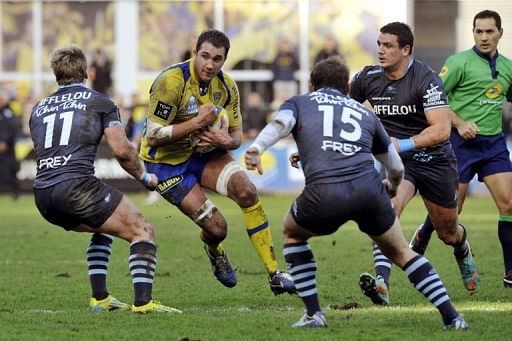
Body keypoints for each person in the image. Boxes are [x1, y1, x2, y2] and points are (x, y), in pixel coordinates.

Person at [244, 57, 468, 329]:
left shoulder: (300, 102)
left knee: (293, 233)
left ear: (313, 85)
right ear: (348, 88)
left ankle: (314, 314)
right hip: (369, 193)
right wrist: (391, 188)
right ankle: (452, 317)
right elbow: (395, 166)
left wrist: (257, 148)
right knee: (401, 252)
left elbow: (280, 124)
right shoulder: (366, 114)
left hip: (324, 193)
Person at [138, 29, 295, 294]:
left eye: (217, 59)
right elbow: (153, 137)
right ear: (195, 52)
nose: (210, 64)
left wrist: (224, 142)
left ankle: (275, 273)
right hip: (166, 165)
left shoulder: (227, 87)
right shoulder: (171, 82)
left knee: (247, 191)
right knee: (218, 228)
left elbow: (236, 136)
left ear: (224, 60)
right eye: (205, 56)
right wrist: (197, 122)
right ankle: (215, 250)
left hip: (205, 154)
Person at [29, 45, 179, 314]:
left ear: (55, 73)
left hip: (42, 194)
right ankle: (144, 303)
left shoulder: (38, 108)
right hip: (76, 187)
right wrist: (145, 177)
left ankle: (100, 298)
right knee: (142, 229)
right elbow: (122, 151)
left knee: (104, 227)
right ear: (87, 71)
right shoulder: (100, 102)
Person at [349, 22, 479, 305]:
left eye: (388, 46)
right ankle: (381, 283)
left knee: (446, 231)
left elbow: (442, 130)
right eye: (379, 44)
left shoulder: (426, 79)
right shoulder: (367, 78)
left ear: (406, 49)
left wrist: (401, 143)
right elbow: (344, 112)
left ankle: (462, 247)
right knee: (387, 210)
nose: (380, 51)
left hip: (436, 161)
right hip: (399, 164)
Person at [410, 10, 512, 288]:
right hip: (459, 146)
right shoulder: (458, 63)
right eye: (479, 31)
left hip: (493, 145)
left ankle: (510, 273)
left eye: (489, 31)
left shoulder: (508, 67)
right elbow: (434, 100)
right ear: (473, 33)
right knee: (452, 215)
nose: (484, 37)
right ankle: (424, 233)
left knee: (509, 205)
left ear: (500, 33)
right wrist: (460, 122)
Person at [0, 93, 20, 199]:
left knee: (11, 169)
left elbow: (9, 129)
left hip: (8, 147)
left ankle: (15, 192)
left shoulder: (8, 113)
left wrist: (4, 141)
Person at [271, 38, 299, 109]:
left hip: (290, 81)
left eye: (287, 46)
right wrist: (275, 81)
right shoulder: (277, 56)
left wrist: (292, 53)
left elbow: (297, 66)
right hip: (280, 81)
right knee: (278, 103)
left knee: (292, 102)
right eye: (284, 46)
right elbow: (273, 68)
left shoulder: (292, 56)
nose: (285, 48)